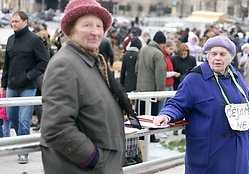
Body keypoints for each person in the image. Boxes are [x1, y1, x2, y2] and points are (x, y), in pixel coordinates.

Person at [40, 0, 139, 173]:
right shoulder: (65, 64)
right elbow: (56, 127)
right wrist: (93, 159)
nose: (95, 32)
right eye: (87, 25)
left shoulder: (92, 62)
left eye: (99, 26)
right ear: (71, 29)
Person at [153, 36, 249, 174]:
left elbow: (245, 104)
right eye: (214, 54)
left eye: (222, 54)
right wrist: (166, 115)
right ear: (207, 56)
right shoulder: (195, 79)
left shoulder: (236, 76)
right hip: (210, 155)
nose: (218, 58)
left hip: (238, 153)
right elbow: (177, 104)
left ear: (230, 57)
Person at [1, 10, 49, 164]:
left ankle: (24, 151)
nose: (13, 24)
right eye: (12, 21)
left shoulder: (35, 40)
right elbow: (7, 65)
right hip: (11, 86)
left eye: (16, 21)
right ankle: (22, 141)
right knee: (11, 116)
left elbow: (44, 62)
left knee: (23, 120)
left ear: (25, 22)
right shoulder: (10, 40)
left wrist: (28, 76)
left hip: (28, 86)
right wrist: (3, 84)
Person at [135, 31, 167, 143]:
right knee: (152, 115)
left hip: (141, 88)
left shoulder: (143, 50)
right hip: (152, 90)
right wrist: (160, 92)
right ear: (162, 43)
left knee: (141, 114)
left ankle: (141, 136)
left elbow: (136, 69)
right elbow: (160, 75)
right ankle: (151, 137)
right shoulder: (158, 53)